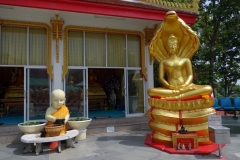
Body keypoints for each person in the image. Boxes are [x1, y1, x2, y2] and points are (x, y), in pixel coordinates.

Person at [147, 34, 212, 101]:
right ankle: (182, 94)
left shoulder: (185, 60)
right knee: (150, 91)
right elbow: (161, 78)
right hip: (170, 88)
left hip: (185, 86)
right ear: (167, 47)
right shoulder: (163, 62)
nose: (172, 47)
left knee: (208, 88)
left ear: (177, 47)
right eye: (170, 45)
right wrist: (168, 86)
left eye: (174, 45)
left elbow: (190, 75)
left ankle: (177, 97)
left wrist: (185, 85)